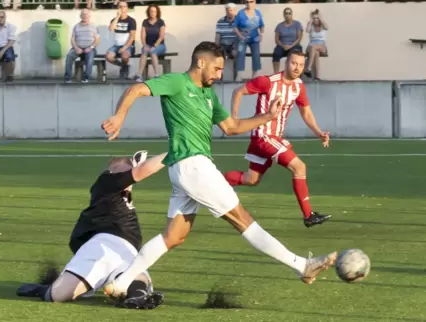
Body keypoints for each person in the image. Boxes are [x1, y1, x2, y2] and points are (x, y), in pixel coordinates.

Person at [101, 41, 337, 298]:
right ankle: (302, 266)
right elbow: (136, 89)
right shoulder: (177, 82)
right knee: (241, 218)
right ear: (201, 62)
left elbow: (231, 126)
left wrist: (267, 118)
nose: (219, 74)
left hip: (186, 170)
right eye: (216, 68)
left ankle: (121, 283)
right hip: (193, 166)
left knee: (174, 236)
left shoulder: (209, 94)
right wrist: (119, 117)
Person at [17, 151, 166, 309]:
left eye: (128, 169)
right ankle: (47, 289)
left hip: (126, 249)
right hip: (100, 244)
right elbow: (142, 171)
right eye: (121, 169)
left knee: (136, 275)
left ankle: (138, 298)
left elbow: (134, 177)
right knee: (59, 295)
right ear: (109, 170)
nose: (126, 173)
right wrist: (174, 152)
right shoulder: (106, 181)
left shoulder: (123, 193)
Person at [223, 51, 331, 228]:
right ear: (286, 63)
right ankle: (308, 215)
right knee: (299, 167)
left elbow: (306, 112)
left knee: (251, 179)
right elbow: (238, 91)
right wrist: (234, 118)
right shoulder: (268, 81)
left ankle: (215, 181)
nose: (297, 68)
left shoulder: (298, 86)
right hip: (264, 136)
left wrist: (318, 131)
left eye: (301, 65)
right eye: (294, 63)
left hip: (270, 138)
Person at [135, 4, 166, 82]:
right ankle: (139, 75)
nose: (153, 13)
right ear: (148, 12)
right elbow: (142, 35)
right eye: (151, 11)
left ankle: (156, 74)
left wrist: (155, 46)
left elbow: (161, 36)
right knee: (144, 52)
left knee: (152, 52)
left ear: (157, 12)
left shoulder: (160, 22)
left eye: (154, 11)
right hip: (148, 44)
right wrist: (144, 45)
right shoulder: (145, 22)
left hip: (160, 45)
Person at [272, 7, 303, 74]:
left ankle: (292, 75)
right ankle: (276, 75)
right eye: (286, 13)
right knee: (276, 54)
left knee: (294, 55)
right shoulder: (279, 26)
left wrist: (290, 46)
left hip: (294, 45)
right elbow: (277, 40)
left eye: (289, 13)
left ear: (292, 14)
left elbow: (299, 38)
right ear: (284, 15)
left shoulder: (297, 24)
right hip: (282, 45)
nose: (288, 15)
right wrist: (283, 46)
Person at [304, 9, 328, 80]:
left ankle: (308, 68)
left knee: (313, 47)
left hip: (321, 45)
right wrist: (310, 22)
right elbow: (307, 31)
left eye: (317, 18)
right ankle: (317, 76)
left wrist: (321, 19)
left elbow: (327, 27)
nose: (315, 20)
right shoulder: (310, 24)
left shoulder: (322, 24)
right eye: (314, 18)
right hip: (311, 45)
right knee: (316, 53)